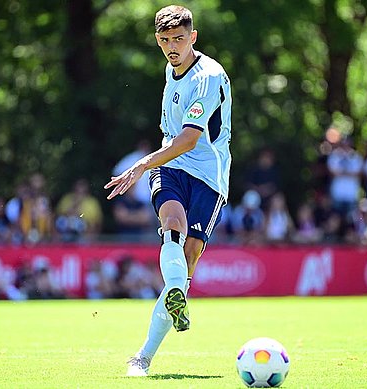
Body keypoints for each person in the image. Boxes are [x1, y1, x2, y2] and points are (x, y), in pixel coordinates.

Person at [104, 5, 232, 376]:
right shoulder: (169, 67)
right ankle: (141, 357)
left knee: (188, 258)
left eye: (179, 39)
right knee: (171, 224)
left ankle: (175, 293)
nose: (172, 47)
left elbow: (191, 139)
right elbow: (175, 139)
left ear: (193, 37)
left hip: (210, 174)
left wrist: (144, 162)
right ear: (158, 40)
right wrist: (155, 163)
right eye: (165, 40)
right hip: (172, 165)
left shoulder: (208, 77)